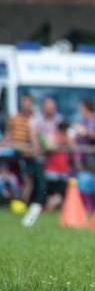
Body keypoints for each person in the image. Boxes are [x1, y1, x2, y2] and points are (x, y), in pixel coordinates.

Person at [2, 95, 42, 226]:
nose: (25, 105)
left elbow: (35, 139)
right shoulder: (15, 119)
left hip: (27, 154)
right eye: (24, 102)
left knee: (28, 180)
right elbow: (8, 135)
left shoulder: (34, 120)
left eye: (28, 103)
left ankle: (22, 203)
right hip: (13, 153)